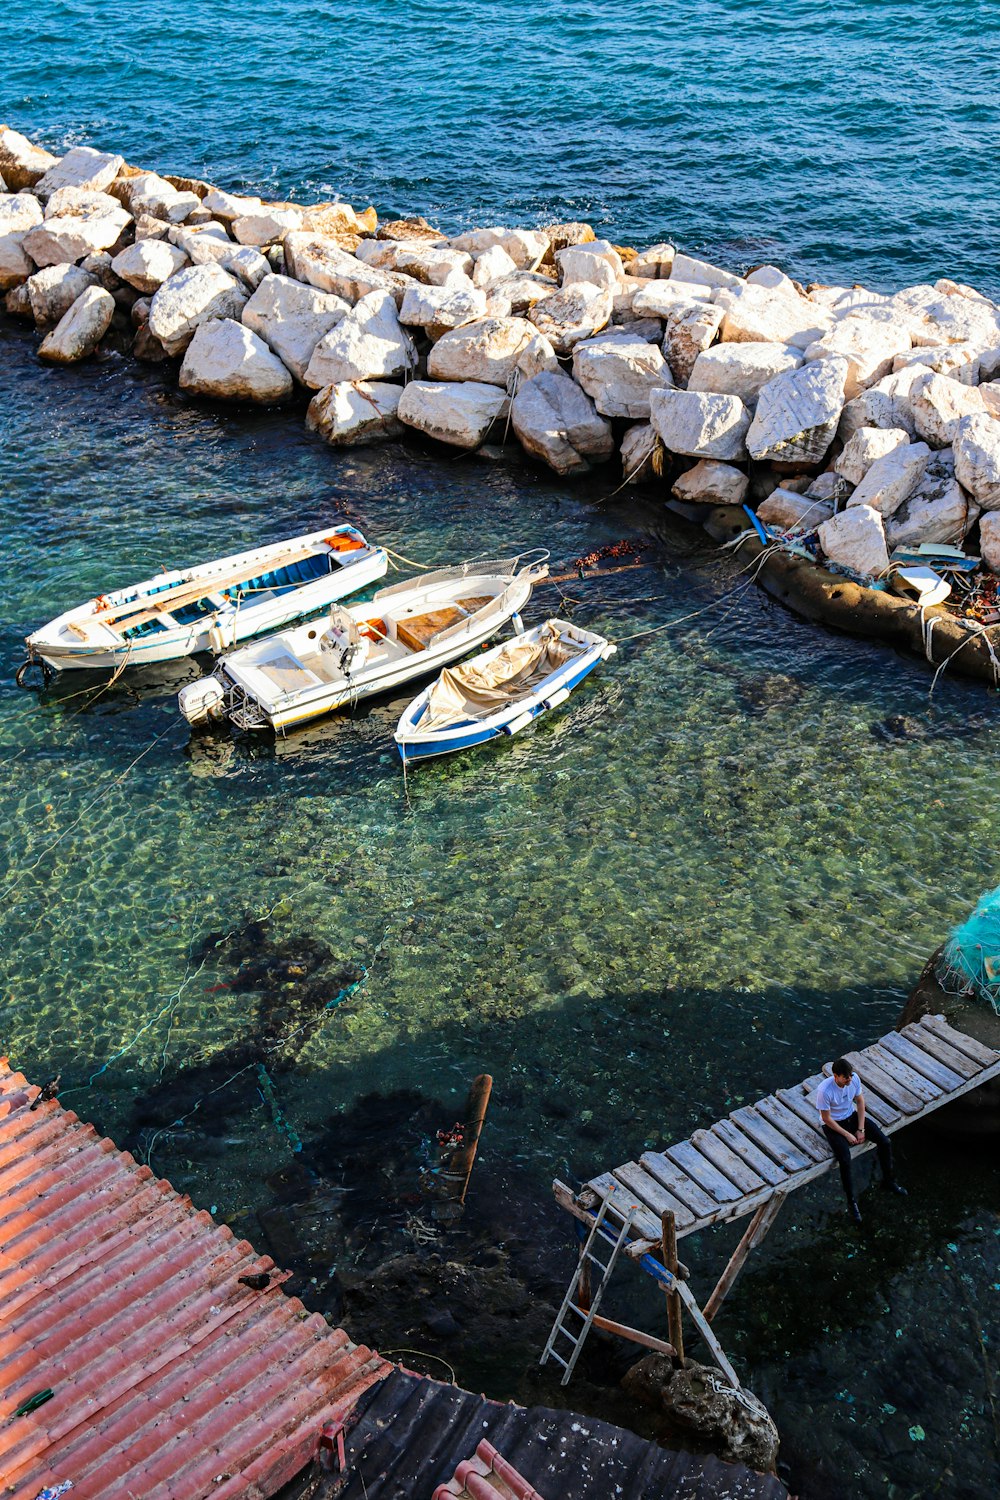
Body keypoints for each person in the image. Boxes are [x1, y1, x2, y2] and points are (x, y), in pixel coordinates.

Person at [816, 1059, 906, 1223]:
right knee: (844, 1159)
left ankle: (889, 1181)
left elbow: (860, 1101)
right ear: (836, 1076)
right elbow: (826, 1119)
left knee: (885, 1142)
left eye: (850, 1076)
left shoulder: (854, 1079)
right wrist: (847, 1135)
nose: (849, 1080)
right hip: (834, 1124)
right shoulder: (824, 1090)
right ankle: (852, 1202)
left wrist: (861, 1129)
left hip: (851, 1116)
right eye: (845, 1077)